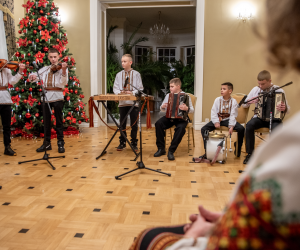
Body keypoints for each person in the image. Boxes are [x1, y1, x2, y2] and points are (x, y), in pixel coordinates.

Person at [130, 0, 300, 249]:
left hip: (261, 120)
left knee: (240, 127)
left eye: (175, 87)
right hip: (227, 121)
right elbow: (229, 109)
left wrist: (205, 116)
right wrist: (169, 107)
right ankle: (196, 151)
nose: (173, 89)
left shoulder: (285, 135)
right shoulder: (195, 97)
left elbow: (236, 113)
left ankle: (219, 152)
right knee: (184, 125)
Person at [242, 70, 289, 164]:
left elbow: (287, 109)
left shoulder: (279, 90)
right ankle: (250, 154)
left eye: (262, 84)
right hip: (259, 118)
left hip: (275, 119)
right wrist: (249, 101)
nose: (260, 86)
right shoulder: (255, 90)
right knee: (249, 125)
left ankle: (273, 155)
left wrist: (285, 108)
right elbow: (244, 105)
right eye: (259, 83)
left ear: (269, 81)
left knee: (277, 129)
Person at [28, 48, 68, 153]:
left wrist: (63, 71)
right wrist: (31, 76)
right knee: (46, 122)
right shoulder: (44, 69)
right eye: (51, 57)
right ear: (48, 57)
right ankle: (47, 143)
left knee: (59, 121)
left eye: (55, 57)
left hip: (58, 96)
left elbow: (63, 82)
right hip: (46, 97)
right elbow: (33, 78)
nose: (53, 59)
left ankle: (60, 143)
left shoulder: (62, 68)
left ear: (58, 57)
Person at [199, 82, 245, 159]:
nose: (221, 90)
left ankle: (238, 148)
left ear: (230, 91)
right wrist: (216, 121)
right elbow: (213, 112)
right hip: (218, 119)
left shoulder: (233, 102)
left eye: (224, 89)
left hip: (228, 120)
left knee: (241, 129)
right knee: (204, 129)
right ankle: (208, 151)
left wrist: (231, 126)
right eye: (221, 89)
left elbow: (233, 115)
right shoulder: (217, 100)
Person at [154, 78, 194, 161]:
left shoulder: (186, 96)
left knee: (181, 128)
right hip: (169, 117)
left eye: (172, 86)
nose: (170, 88)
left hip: (181, 119)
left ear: (178, 86)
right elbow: (162, 109)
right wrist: (163, 107)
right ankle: (161, 149)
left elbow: (192, 110)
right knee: (158, 123)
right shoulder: (168, 96)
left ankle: (171, 151)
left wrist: (186, 108)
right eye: (170, 86)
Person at [113, 54, 143, 152]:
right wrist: (120, 92)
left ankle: (134, 142)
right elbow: (115, 88)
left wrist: (131, 92)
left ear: (130, 62)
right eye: (122, 61)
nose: (123, 63)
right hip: (122, 103)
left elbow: (140, 88)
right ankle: (122, 142)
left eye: (125, 61)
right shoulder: (118, 74)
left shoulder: (137, 74)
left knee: (134, 124)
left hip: (133, 103)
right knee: (122, 123)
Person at [0, 63, 25, 156]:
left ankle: (7, 147)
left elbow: (12, 81)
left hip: (5, 100)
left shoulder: (6, 68)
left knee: (7, 126)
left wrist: (20, 71)